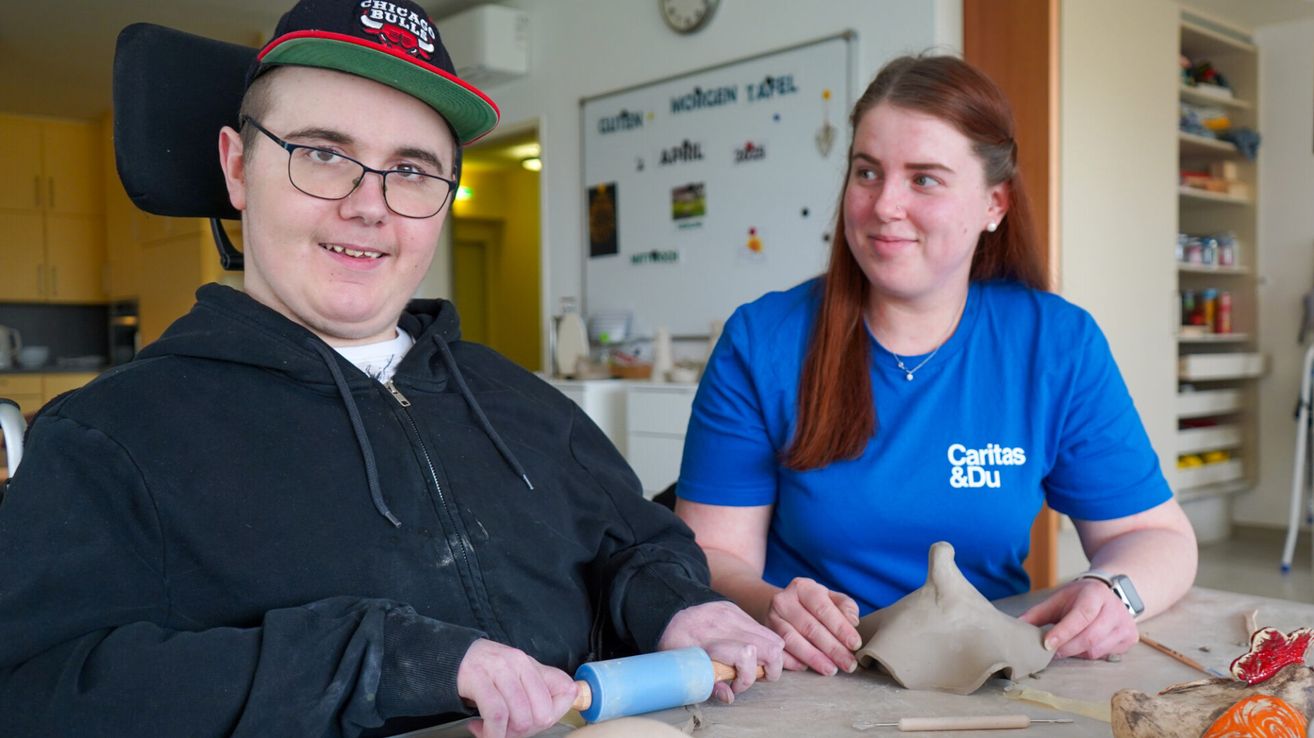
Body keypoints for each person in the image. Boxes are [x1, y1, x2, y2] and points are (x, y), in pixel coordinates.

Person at [0, 2, 782, 737]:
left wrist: (676, 607)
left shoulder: (519, 400)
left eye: (411, 170)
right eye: (322, 154)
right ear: (238, 168)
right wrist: (380, 662)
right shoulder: (110, 437)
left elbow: (636, 544)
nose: (369, 205)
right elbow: (33, 690)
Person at [675, 54, 1197, 679]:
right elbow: (713, 551)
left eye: (924, 179)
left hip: (988, 675)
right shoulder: (762, 341)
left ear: (994, 203)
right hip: (813, 674)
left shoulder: (1055, 344)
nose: (884, 205)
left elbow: (1159, 538)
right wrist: (771, 605)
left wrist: (1117, 592)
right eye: (867, 172)